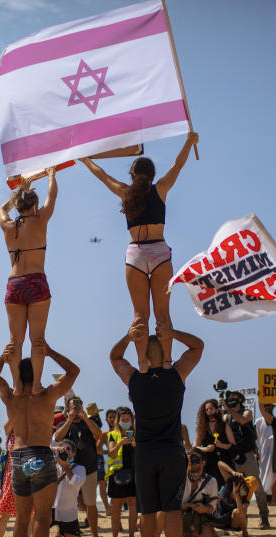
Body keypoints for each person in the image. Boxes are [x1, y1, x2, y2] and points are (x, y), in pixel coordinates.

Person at [81, 132, 199, 372]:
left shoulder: (125, 192)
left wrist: (86, 160)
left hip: (135, 253)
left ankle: (141, 364)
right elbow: (178, 165)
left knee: (140, 315)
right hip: (159, 251)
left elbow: (102, 176)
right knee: (163, 314)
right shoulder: (161, 189)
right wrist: (189, 141)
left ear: (132, 175)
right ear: (153, 175)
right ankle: (167, 362)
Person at [110, 323, 203, 537]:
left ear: (144, 355)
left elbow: (114, 357)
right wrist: (175, 334)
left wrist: (128, 337)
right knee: (172, 510)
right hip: (171, 449)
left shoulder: (134, 379)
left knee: (147, 511)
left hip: (145, 452)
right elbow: (198, 346)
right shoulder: (176, 374)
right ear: (165, 351)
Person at [0, 341, 78, 537]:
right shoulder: (47, 395)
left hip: (17, 456)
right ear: (37, 373)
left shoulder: (10, 397)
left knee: (20, 518)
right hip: (40, 454)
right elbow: (73, 371)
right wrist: (50, 352)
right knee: (40, 516)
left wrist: (4, 357)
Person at [0, 167, 58, 395]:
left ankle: (16, 386)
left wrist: (17, 194)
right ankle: (36, 385)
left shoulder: (8, 226)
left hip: (14, 283)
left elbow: (1, 209)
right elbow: (52, 197)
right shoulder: (40, 220)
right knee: (37, 339)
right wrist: (51, 175)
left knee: (15, 340)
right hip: (36, 281)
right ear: (34, 205)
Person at [53, 396, 105, 537]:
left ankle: (94, 536)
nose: (76, 409)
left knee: (90, 504)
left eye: (78, 406)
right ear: (67, 408)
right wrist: (69, 419)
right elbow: (57, 437)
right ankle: (64, 534)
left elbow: (99, 435)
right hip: (68, 469)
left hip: (89, 468)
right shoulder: (64, 423)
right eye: (73, 407)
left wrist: (86, 418)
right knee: (65, 503)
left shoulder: (89, 423)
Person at [222, 390, 270, 528]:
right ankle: (239, 518)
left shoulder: (246, 412)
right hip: (233, 456)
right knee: (236, 488)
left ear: (240, 400)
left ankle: (264, 516)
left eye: (234, 398)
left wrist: (228, 410)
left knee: (256, 486)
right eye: (229, 398)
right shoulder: (226, 416)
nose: (231, 400)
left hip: (248, 455)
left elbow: (242, 420)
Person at [105, 406, 138, 537]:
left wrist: (135, 444)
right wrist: (120, 443)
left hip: (134, 473)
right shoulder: (113, 434)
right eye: (123, 419)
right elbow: (111, 453)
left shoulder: (137, 434)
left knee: (133, 506)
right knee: (116, 507)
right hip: (117, 474)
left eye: (127, 419)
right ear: (118, 421)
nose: (125, 421)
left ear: (132, 419)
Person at [209, 461, 258, 537]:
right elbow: (219, 464)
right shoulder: (229, 483)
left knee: (237, 511)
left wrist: (237, 495)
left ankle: (245, 533)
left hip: (233, 523)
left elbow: (242, 512)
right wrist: (233, 472)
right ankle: (215, 535)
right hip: (218, 518)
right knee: (203, 514)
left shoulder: (245, 495)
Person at [51, 440, 85, 537]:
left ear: (74, 454)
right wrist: (54, 450)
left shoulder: (80, 469)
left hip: (68, 513)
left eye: (68, 449)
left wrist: (65, 467)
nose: (64, 451)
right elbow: (40, 449)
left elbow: (76, 483)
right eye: (61, 449)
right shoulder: (51, 466)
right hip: (49, 509)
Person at [181, 450, 219, 537]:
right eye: (190, 458)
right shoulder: (179, 476)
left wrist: (204, 508)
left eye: (196, 458)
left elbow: (212, 507)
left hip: (195, 518)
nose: (193, 461)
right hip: (177, 516)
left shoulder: (211, 481)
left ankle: (189, 532)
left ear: (203, 462)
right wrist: (185, 467)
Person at [193, 398, 230, 486]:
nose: (209, 411)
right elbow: (195, 447)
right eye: (207, 409)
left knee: (225, 490)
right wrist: (206, 449)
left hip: (224, 462)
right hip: (208, 464)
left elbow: (231, 444)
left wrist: (221, 445)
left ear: (217, 410)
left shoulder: (224, 424)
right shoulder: (202, 428)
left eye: (211, 408)